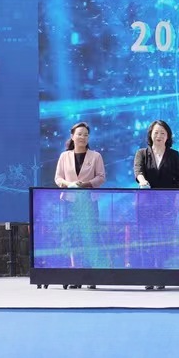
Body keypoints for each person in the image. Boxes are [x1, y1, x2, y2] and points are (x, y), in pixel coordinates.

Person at [134, 120, 179, 290]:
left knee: (164, 239)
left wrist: (177, 202)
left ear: (168, 136)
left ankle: (162, 275)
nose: (159, 136)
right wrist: (142, 181)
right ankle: (148, 276)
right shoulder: (142, 153)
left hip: (167, 205)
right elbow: (138, 171)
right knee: (146, 239)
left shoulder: (174, 155)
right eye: (156, 132)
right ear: (150, 135)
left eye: (163, 133)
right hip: (146, 205)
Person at [54, 121, 106, 289]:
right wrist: (69, 184)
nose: (82, 137)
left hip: (88, 202)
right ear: (72, 136)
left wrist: (86, 184)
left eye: (85, 134)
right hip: (69, 202)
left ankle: (91, 276)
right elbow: (58, 178)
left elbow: (101, 177)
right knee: (72, 237)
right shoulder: (64, 156)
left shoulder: (95, 156)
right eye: (79, 134)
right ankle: (75, 275)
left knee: (90, 237)